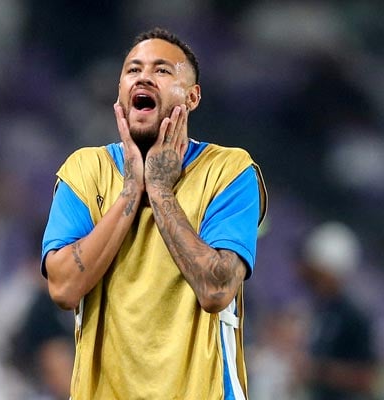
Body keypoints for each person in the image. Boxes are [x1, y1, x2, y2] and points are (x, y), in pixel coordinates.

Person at [41, 27, 267, 399]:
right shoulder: (85, 171)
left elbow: (217, 289)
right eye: (133, 70)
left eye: (162, 70)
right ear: (120, 91)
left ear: (192, 97)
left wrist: (160, 190)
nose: (143, 76)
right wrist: (132, 190)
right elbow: (63, 287)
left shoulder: (229, 171)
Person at [295, 221, 381, 400]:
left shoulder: (355, 316)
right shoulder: (320, 308)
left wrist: (319, 372)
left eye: (319, 274)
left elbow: (369, 377)